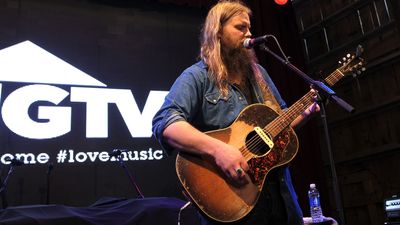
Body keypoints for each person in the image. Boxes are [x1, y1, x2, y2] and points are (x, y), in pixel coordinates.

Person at [152, 1, 319, 225]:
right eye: (240, 27)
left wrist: (305, 113)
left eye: (249, 28)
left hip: (281, 201)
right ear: (218, 32)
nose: (248, 33)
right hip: (234, 203)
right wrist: (219, 150)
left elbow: (282, 120)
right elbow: (165, 123)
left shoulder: (258, 74)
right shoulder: (198, 77)